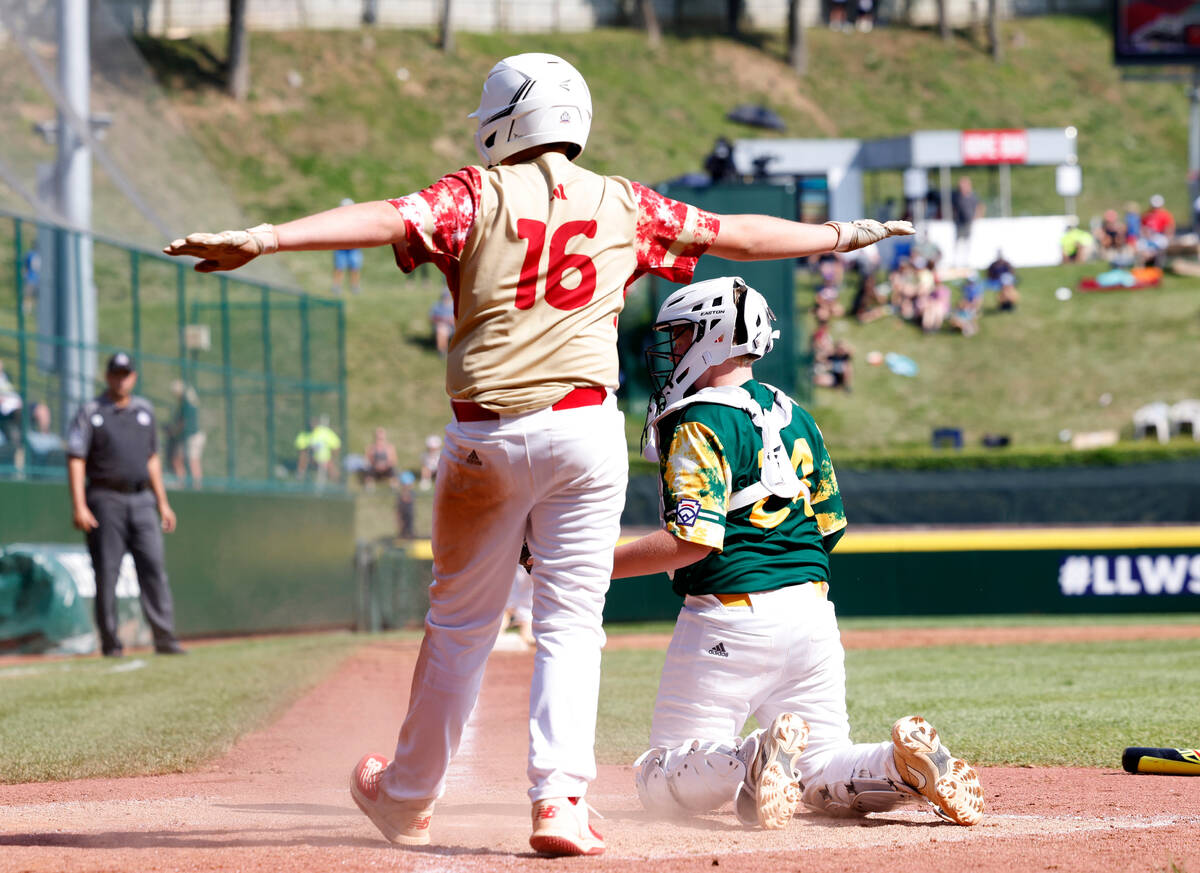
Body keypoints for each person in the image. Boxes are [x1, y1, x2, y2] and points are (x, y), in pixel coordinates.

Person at [163, 51, 913, 857]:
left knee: (459, 626)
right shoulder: (625, 202)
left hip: (487, 434)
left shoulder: (475, 193)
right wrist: (840, 235)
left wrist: (264, 239)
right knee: (571, 622)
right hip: (588, 434)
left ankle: (409, 794)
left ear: (501, 120)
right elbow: (738, 235)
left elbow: (383, 216)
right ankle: (558, 800)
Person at [611, 276, 984, 832]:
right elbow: (828, 525)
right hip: (811, 613)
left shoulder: (700, 419)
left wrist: (589, 561)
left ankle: (748, 757)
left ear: (715, 336)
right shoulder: (796, 414)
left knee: (657, 780)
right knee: (818, 767)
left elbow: (692, 537)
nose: (675, 349)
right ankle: (901, 768)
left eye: (684, 334)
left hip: (728, 616)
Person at [65, 352, 185, 657]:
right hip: (105, 499)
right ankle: (110, 643)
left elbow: (153, 459)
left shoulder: (144, 411)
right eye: (116, 374)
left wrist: (163, 503)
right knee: (107, 572)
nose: (121, 379)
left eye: (126, 373)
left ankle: (165, 637)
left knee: (154, 567)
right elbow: (76, 458)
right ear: (107, 377)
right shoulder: (91, 411)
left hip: (142, 499)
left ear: (133, 377)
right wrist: (79, 505)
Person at [165, 380, 204, 487]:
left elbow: (182, 424)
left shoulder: (186, 405)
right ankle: (187, 484)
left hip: (191, 437)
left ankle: (194, 486)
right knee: (181, 460)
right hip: (188, 437)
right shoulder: (186, 404)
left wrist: (173, 431)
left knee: (189, 461)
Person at [294, 416, 342, 487]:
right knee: (303, 457)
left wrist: (332, 457)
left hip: (324, 459)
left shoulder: (325, 432)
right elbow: (301, 449)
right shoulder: (304, 434)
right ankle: (300, 477)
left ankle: (338, 484)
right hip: (311, 459)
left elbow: (336, 445)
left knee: (331, 467)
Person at [332, 198, 364, 295]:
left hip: (353, 247)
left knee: (355, 267)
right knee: (339, 267)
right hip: (341, 247)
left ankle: (355, 286)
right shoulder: (338, 219)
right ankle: (336, 287)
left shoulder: (356, 219)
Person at [950, 177, 982, 268]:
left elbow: (980, 206)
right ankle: (956, 262)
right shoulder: (957, 196)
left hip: (969, 222)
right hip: (959, 222)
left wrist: (977, 217)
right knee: (958, 242)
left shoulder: (973, 196)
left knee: (967, 242)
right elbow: (954, 208)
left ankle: (966, 261)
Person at [26, 401, 66, 466]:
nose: (46, 418)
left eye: (47, 414)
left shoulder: (54, 439)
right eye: (42, 415)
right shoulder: (30, 437)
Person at [361, 426, 398, 490]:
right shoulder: (370, 448)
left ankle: (394, 487)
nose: (380, 440)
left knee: (394, 471)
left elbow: (395, 461)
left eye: (381, 438)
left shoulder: (390, 448)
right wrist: (374, 464)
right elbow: (366, 461)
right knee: (368, 471)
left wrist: (386, 465)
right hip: (374, 468)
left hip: (387, 468)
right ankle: (369, 487)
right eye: (378, 438)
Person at [429, 286, 455, 356]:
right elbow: (431, 318)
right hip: (440, 326)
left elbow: (458, 319)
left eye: (448, 296)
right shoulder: (437, 305)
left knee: (443, 329)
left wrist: (451, 320)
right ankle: (442, 350)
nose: (446, 298)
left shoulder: (455, 306)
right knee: (442, 329)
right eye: (445, 296)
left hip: (453, 327)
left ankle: (443, 351)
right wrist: (442, 319)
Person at [395, 470, 416, 539]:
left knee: (409, 528)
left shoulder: (412, 493)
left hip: (409, 515)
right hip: (403, 515)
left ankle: (409, 536)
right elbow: (398, 510)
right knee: (403, 528)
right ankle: (403, 536)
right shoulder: (400, 495)